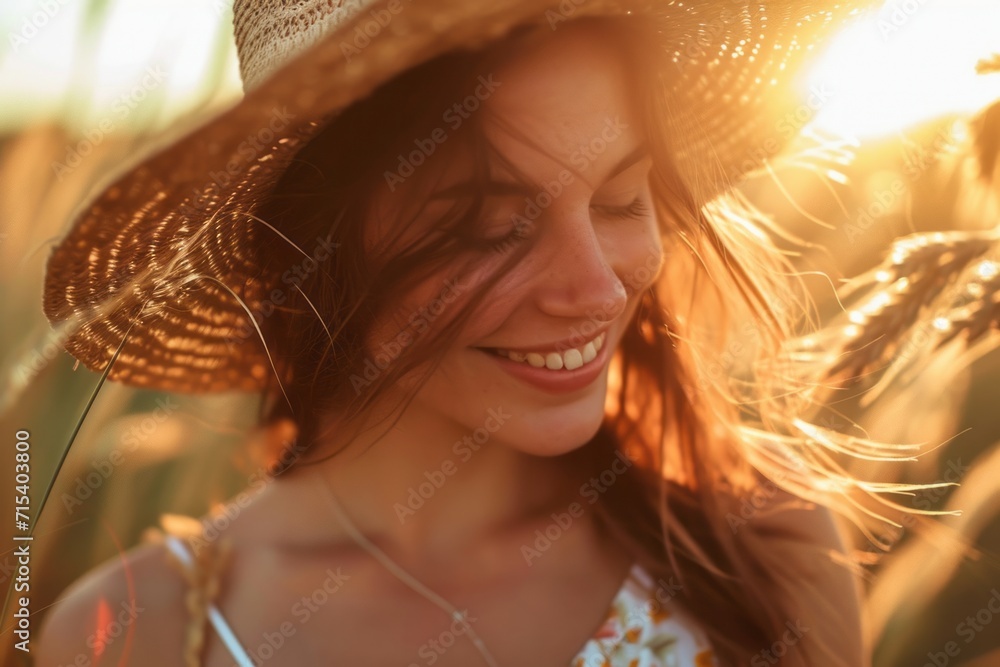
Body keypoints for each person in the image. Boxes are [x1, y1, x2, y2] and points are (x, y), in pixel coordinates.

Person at [36, 1, 879, 665]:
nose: (594, 288)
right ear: (311, 250)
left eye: (623, 201)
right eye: (489, 224)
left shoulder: (764, 556)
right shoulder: (132, 635)